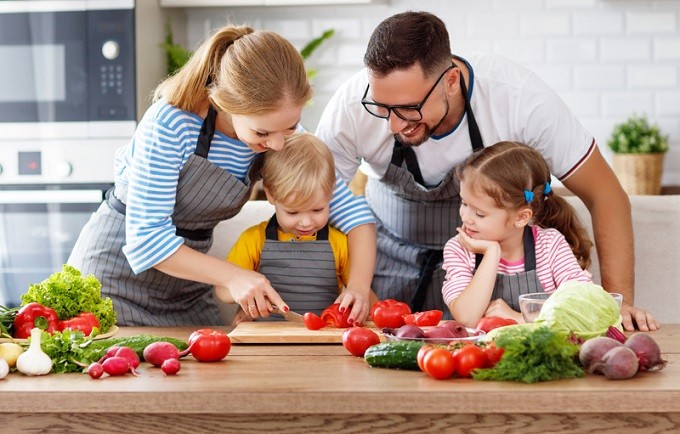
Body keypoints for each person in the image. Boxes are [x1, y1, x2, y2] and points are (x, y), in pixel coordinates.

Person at [315, 10, 658, 331]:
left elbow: (606, 195)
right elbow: (318, 206)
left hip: (490, 285)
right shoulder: (350, 108)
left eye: (408, 109)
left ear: (450, 80)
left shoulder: (519, 99)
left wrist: (619, 304)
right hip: (387, 268)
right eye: (381, 107)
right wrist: (362, 293)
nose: (392, 125)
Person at [68, 25, 376, 327]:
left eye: (290, 127)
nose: (279, 144)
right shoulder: (171, 124)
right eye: (263, 132)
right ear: (225, 103)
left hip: (189, 287)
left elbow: (355, 216)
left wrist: (359, 287)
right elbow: (147, 241)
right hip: (113, 279)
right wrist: (234, 276)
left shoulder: (277, 132)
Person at [217, 133, 379, 323]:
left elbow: (362, 294)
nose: (306, 222)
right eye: (293, 213)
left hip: (323, 340)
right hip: (266, 339)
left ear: (331, 194)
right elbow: (223, 291)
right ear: (270, 194)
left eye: (318, 209)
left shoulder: (339, 243)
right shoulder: (253, 240)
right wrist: (246, 294)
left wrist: (376, 313)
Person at [441, 141, 593, 326]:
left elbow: (585, 308)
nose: (466, 217)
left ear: (521, 217)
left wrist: (519, 318)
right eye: (464, 203)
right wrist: (491, 254)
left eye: (480, 214)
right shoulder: (460, 249)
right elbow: (467, 317)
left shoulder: (550, 246)